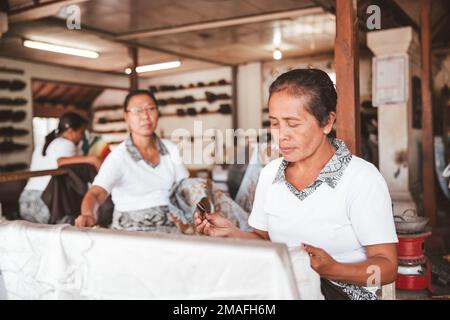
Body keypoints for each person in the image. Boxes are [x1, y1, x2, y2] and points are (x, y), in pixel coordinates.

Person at [194, 69, 398, 300]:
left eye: (293, 123)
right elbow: (264, 240)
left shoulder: (361, 178)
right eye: (275, 123)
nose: (281, 136)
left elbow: (388, 268)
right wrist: (231, 232)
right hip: (284, 287)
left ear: (327, 122)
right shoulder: (271, 173)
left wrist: (334, 269)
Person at [75, 90, 189, 232]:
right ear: (126, 116)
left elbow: (186, 187)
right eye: (137, 110)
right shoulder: (119, 157)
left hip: (173, 227)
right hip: (132, 231)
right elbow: (96, 193)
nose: (145, 116)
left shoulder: (170, 148)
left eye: (151, 109)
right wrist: (87, 214)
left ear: (157, 112)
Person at [19, 112, 102, 223]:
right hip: (46, 201)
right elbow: (61, 162)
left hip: (26, 200)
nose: (82, 137)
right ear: (70, 131)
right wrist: (92, 159)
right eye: (81, 132)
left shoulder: (45, 142)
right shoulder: (66, 144)